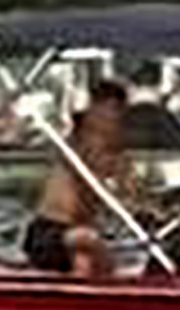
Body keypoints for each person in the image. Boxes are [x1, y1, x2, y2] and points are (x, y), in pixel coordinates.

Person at [24, 79, 139, 276]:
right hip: (50, 232)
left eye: (117, 112)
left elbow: (130, 195)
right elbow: (85, 169)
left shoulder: (119, 155)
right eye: (107, 111)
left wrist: (146, 204)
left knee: (88, 254)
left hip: (80, 229)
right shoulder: (77, 143)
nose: (112, 119)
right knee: (89, 241)